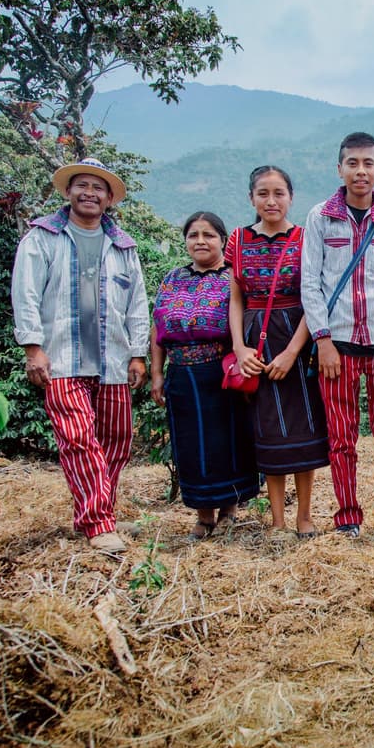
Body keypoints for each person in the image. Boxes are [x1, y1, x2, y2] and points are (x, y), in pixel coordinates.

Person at [11, 158, 148, 553]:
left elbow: (136, 303)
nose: (90, 193)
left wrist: (137, 354)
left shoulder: (122, 246)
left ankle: (99, 510)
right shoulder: (42, 239)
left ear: (108, 199)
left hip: (113, 361)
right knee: (79, 439)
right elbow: (26, 294)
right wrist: (33, 348)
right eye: (82, 185)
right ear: (69, 192)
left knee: (117, 439)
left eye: (98, 188)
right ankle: (98, 523)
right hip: (63, 359)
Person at [300, 133, 374, 539]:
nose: (360, 171)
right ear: (340, 169)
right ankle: (348, 515)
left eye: (368, 163)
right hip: (339, 346)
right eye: (352, 163)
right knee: (342, 436)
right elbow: (309, 282)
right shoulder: (320, 217)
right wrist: (323, 340)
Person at [227, 166, 329, 536]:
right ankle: (277, 520)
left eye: (279, 193)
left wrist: (292, 352)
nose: (271, 201)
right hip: (255, 338)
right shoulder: (237, 240)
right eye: (263, 193)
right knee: (267, 427)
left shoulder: (305, 238)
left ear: (291, 197)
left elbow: (313, 295)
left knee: (303, 427)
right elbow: (236, 296)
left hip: (297, 337)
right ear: (251, 197)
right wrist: (239, 347)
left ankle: (304, 517)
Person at [151, 212, 260, 539]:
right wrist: (157, 373)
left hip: (221, 373)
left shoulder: (232, 278)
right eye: (193, 234)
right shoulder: (172, 278)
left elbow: (244, 324)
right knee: (190, 444)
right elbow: (158, 329)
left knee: (225, 441)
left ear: (223, 240)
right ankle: (203, 515)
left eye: (209, 235)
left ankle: (229, 510)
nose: (200, 241)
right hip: (181, 376)